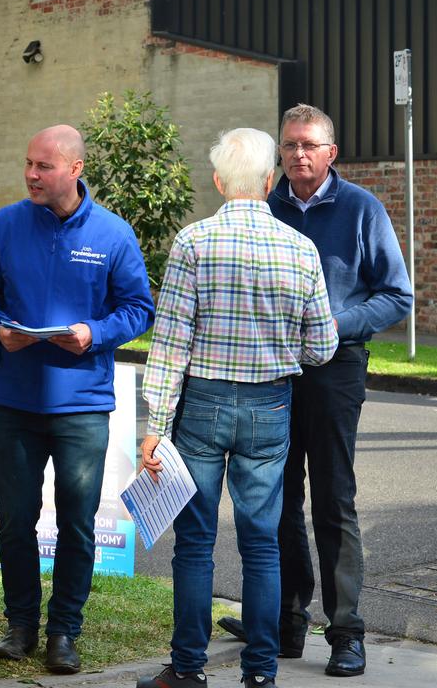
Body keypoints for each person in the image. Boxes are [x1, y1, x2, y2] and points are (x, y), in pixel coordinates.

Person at [137, 128, 339, 688]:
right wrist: (279, 346)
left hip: (201, 403)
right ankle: (260, 675)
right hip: (269, 404)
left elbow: (171, 344)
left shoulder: (193, 242)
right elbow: (321, 347)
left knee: (196, 542)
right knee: (261, 542)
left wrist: (154, 426)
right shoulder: (300, 248)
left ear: (219, 181)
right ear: (271, 180)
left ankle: (187, 669)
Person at [219, 105, 412, 678]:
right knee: (276, 500)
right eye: (289, 146)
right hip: (273, 373)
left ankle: (347, 632)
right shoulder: (263, 207)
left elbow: (396, 295)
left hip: (334, 371)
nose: (298, 154)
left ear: (331, 152)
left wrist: (333, 323)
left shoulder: (361, 209)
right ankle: (287, 619)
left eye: (309, 145)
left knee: (333, 501)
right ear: (277, 156)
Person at [0, 125, 155, 674]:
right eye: (28, 163)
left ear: (74, 169)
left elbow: (138, 308)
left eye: (43, 166)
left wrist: (94, 333)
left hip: (83, 405)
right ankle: (20, 624)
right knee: (14, 519)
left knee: (77, 523)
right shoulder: (2, 226)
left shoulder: (114, 234)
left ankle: (64, 631)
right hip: (18, 404)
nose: (31, 174)